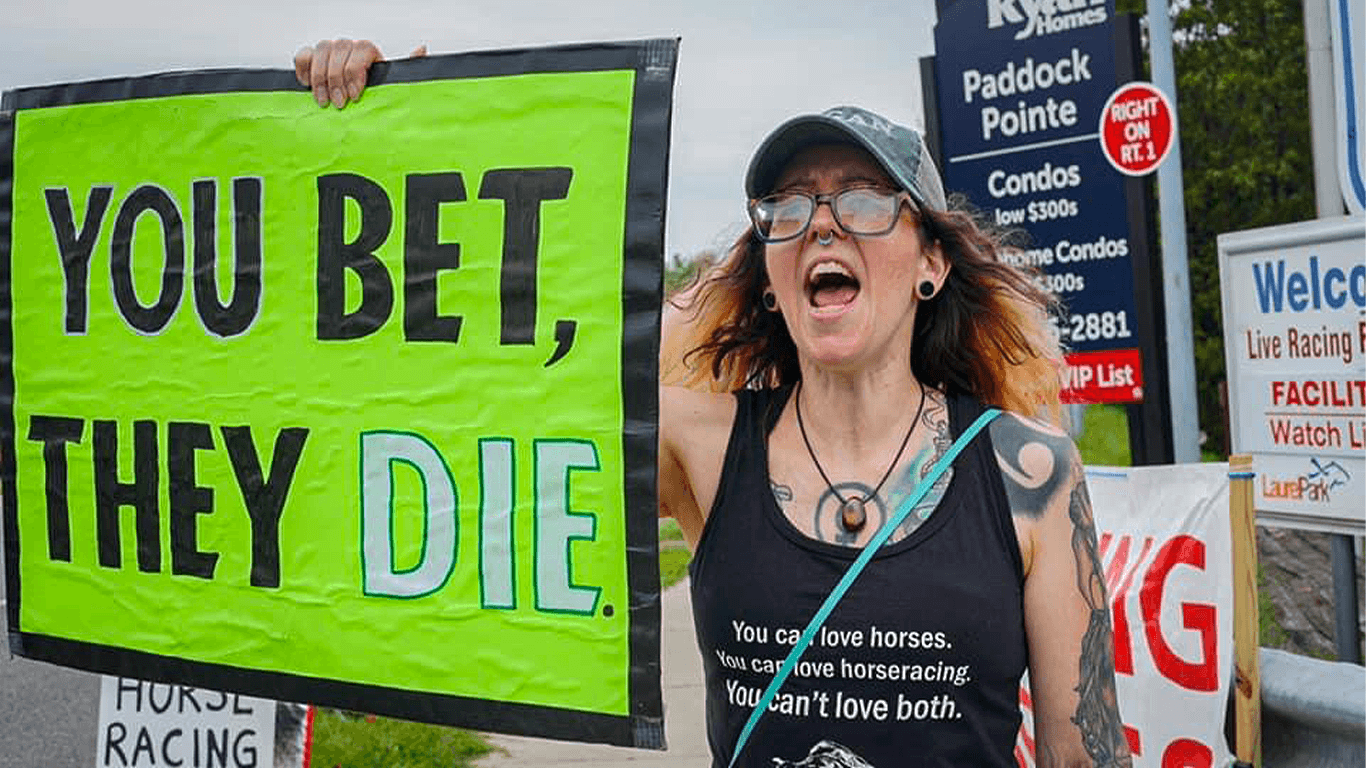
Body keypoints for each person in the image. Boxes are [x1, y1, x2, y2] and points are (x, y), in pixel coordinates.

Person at [296, 41, 1133, 768]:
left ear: (932, 265)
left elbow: (1079, 748)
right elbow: (495, 397)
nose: (823, 226)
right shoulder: (702, 442)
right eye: (790, 208)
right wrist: (398, 135)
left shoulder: (1029, 472)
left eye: (867, 201)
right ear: (767, 276)